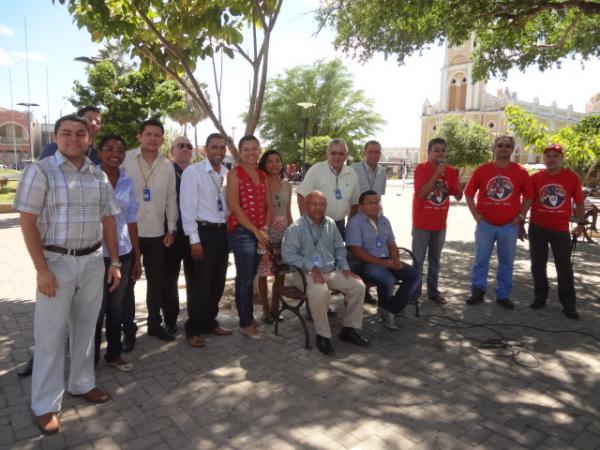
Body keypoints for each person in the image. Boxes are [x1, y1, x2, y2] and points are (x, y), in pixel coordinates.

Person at [13, 114, 121, 434]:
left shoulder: (97, 176)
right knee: (50, 334)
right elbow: (28, 221)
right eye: (66, 133)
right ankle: (45, 404)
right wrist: (41, 269)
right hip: (56, 263)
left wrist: (114, 261)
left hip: (92, 262)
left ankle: (82, 382)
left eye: (80, 134)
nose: (74, 139)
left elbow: (109, 220)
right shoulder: (41, 170)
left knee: (87, 329)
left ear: (89, 138)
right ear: (56, 137)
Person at [282, 190, 369, 355]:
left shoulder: (330, 223)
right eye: (314, 204)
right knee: (320, 292)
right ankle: (322, 335)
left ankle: (349, 330)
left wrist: (345, 269)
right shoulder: (296, 228)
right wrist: (309, 265)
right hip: (305, 274)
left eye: (322, 204)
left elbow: (339, 249)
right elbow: (288, 255)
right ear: (306, 206)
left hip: (330, 271)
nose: (318, 208)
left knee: (358, 286)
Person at [122, 119, 178, 342]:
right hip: (128, 233)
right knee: (127, 284)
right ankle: (128, 330)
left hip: (157, 233)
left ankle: (155, 325)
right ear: (140, 136)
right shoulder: (125, 159)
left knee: (156, 283)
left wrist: (171, 229)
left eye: (157, 135)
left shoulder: (167, 166)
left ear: (162, 140)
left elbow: (171, 200)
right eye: (148, 134)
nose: (153, 139)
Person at [464, 136, 533, 309]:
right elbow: (469, 193)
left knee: (507, 262)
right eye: (500, 145)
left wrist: (521, 216)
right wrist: (475, 216)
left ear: (512, 149)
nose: (503, 148)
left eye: (507, 146)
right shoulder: (483, 169)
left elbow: (530, 196)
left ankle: (503, 295)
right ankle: (478, 291)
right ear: (494, 148)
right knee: (480, 260)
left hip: (509, 225)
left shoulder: (520, 171)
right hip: (485, 224)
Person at [94, 135, 142, 371]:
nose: (115, 153)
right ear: (99, 152)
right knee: (94, 308)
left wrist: (137, 256)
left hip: (123, 252)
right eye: (109, 149)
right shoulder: (89, 177)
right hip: (93, 253)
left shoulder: (127, 181)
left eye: (120, 150)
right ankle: (88, 359)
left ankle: (113, 355)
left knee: (115, 307)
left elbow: (131, 219)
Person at [180, 133, 232, 348]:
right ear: (206, 150)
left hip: (222, 233)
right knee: (199, 284)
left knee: (218, 282)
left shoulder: (227, 174)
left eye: (222, 148)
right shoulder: (193, 172)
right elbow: (187, 207)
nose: (218, 151)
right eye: (214, 147)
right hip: (202, 233)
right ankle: (193, 328)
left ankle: (210, 322)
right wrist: (194, 240)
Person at [347, 190, 420, 329]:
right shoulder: (355, 223)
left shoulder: (384, 220)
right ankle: (389, 311)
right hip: (363, 263)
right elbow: (357, 251)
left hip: (385, 260)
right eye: (370, 203)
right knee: (388, 279)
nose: (375, 206)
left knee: (414, 275)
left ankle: (391, 308)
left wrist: (395, 260)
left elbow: (391, 244)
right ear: (361, 206)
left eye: (377, 202)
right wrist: (382, 263)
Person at [528, 144, 585, 319]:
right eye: (548, 156)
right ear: (543, 158)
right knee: (538, 264)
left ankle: (568, 304)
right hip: (537, 227)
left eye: (555, 156)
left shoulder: (571, 177)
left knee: (564, 266)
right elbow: (528, 199)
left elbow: (579, 202)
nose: (551, 159)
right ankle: (540, 297)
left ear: (561, 158)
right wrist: (520, 220)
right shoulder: (535, 177)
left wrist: (581, 223)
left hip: (560, 229)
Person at [226, 135, 272, 339]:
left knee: (250, 276)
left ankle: (248, 317)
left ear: (259, 150)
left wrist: (265, 228)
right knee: (244, 279)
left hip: (260, 232)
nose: (251, 153)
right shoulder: (235, 174)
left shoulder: (263, 175)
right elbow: (234, 207)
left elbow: (268, 205)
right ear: (240, 151)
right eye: (246, 149)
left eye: (255, 148)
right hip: (243, 232)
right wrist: (255, 230)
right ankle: (245, 322)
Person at [411, 138, 463, 304]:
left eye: (442, 150)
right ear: (429, 152)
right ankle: (414, 292)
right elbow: (422, 193)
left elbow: (457, 195)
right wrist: (437, 174)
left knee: (435, 260)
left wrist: (460, 184)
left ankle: (433, 292)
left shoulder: (450, 171)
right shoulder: (421, 169)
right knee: (418, 260)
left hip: (440, 225)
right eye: (436, 150)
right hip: (422, 223)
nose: (440, 153)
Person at [162, 137, 195, 336]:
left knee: (195, 279)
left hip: (194, 235)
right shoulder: (165, 170)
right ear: (171, 150)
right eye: (180, 146)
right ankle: (170, 320)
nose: (185, 149)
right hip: (170, 234)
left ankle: (195, 318)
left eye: (188, 146)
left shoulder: (197, 172)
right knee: (169, 279)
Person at [297, 138, 360, 239]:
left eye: (341, 153)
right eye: (333, 153)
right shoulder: (316, 170)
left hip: (340, 225)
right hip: (317, 224)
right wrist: (307, 223)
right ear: (327, 154)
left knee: (337, 254)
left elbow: (355, 202)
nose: (337, 157)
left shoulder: (351, 173)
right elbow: (301, 195)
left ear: (346, 155)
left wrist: (350, 224)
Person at [257, 150, 293, 324]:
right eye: (270, 161)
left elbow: (288, 212)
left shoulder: (287, 185)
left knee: (280, 272)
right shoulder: (260, 183)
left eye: (277, 160)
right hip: (265, 231)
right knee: (263, 272)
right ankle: (265, 310)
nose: (274, 164)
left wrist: (292, 231)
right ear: (264, 164)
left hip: (283, 231)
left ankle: (274, 308)